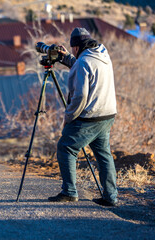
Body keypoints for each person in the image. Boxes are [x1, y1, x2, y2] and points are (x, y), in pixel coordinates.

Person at [48, 27, 118, 206]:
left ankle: (69, 192)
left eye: (73, 49)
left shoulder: (82, 62)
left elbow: (80, 96)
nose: (72, 51)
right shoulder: (102, 54)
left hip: (90, 116)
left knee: (66, 148)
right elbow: (86, 66)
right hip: (107, 114)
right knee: (104, 155)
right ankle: (111, 197)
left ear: (77, 47)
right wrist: (67, 59)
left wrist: (68, 117)